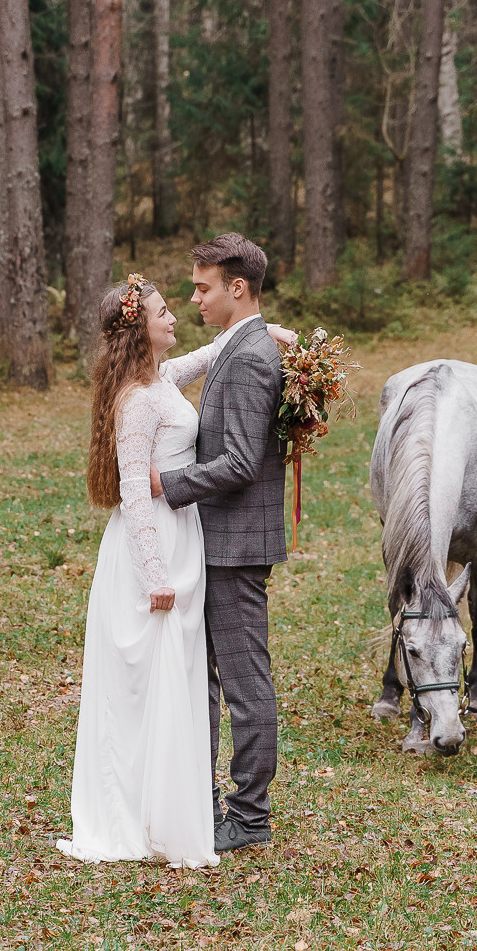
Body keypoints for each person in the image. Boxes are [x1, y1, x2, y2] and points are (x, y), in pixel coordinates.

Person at [57, 267, 294, 868]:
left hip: (188, 533)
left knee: (185, 674)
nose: (176, 312)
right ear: (140, 330)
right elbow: (135, 491)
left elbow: (213, 352)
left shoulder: (159, 376)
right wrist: (154, 574)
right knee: (153, 677)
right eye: (164, 309)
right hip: (157, 544)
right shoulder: (134, 401)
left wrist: (273, 334)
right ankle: (145, 806)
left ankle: (181, 799)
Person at [152, 234, 288, 853]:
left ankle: (250, 817)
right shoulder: (241, 346)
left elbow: (238, 462)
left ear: (237, 289)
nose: (194, 297)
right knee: (206, 678)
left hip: (236, 543)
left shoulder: (254, 357)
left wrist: (168, 484)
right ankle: (202, 799)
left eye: (203, 287)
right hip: (218, 539)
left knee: (244, 681)